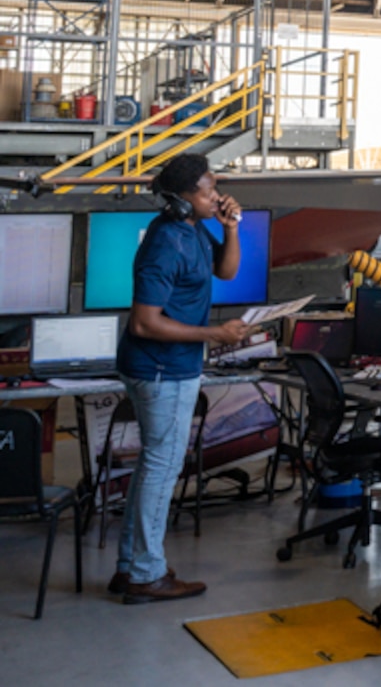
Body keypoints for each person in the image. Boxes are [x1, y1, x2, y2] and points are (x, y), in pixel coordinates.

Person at [112, 152, 248, 604]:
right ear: (182, 200)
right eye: (207, 191)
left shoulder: (193, 227)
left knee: (155, 465)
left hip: (174, 366)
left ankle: (132, 567)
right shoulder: (165, 241)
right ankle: (146, 575)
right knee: (161, 467)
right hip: (160, 368)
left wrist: (230, 227)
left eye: (215, 187)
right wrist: (216, 333)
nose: (216, 196)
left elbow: (225, 271)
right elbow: (144, 323)